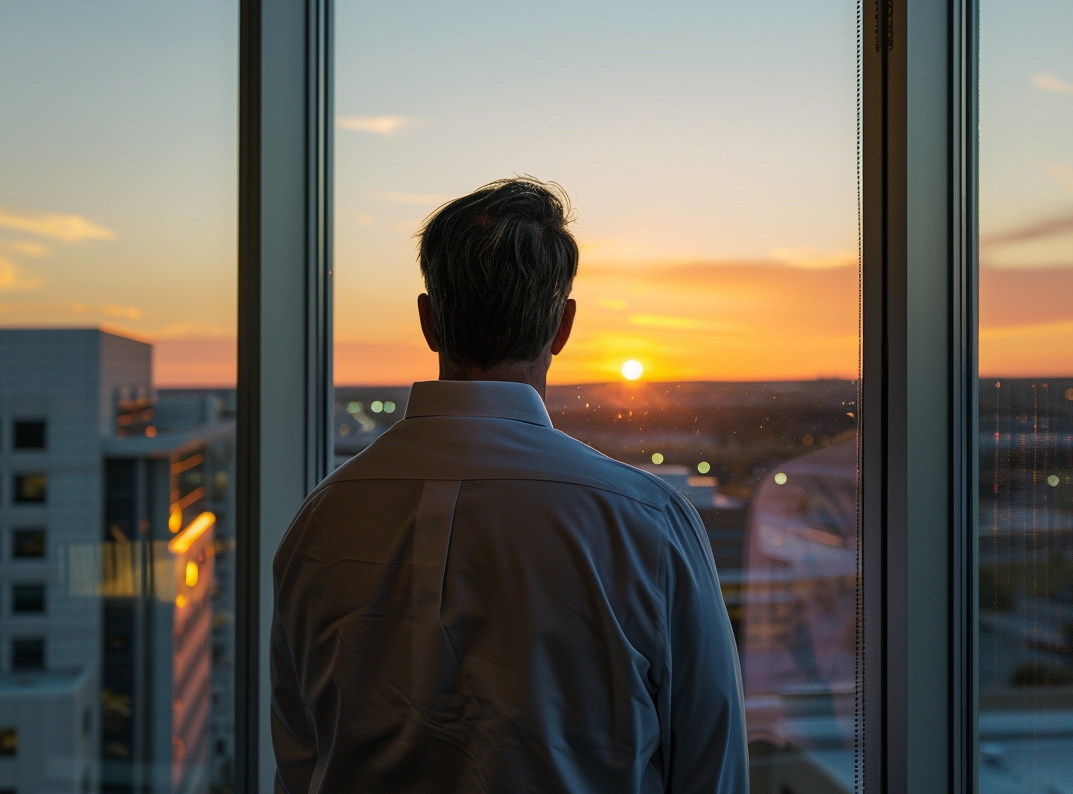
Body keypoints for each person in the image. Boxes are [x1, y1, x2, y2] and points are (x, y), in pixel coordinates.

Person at [271, 177, 749, 793]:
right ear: (562, 327)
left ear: (428, 322)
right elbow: (711, 770)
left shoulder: (320, 523)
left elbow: (298, 763)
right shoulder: (645, 523)